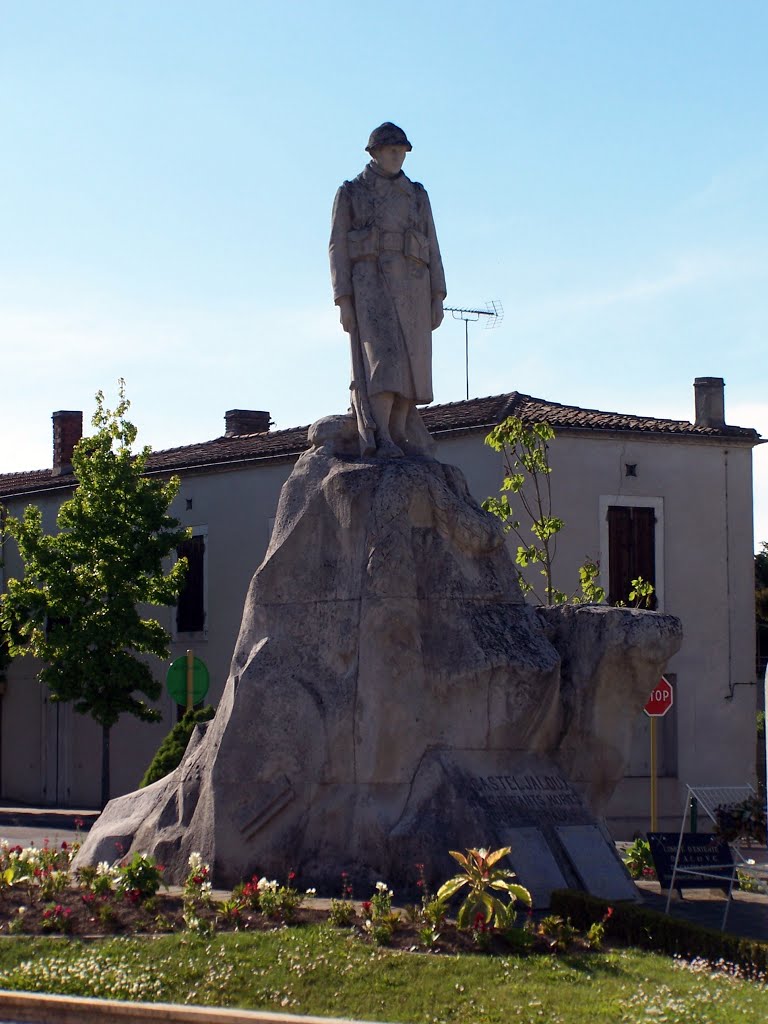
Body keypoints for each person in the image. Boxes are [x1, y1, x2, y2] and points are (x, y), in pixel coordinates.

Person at [329, 123, 446, 457]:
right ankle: (380, 434)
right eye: (392, 151)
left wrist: (437, 295)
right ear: (375, 153)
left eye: (402, 152)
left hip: (414, 286)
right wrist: (343, 299)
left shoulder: (417, 195)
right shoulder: (353, 192)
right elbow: (337, 247)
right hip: (372, 285)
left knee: (413, 365)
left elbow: (434, 247)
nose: (398, 157)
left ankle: (398, 431)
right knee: (384, 360)